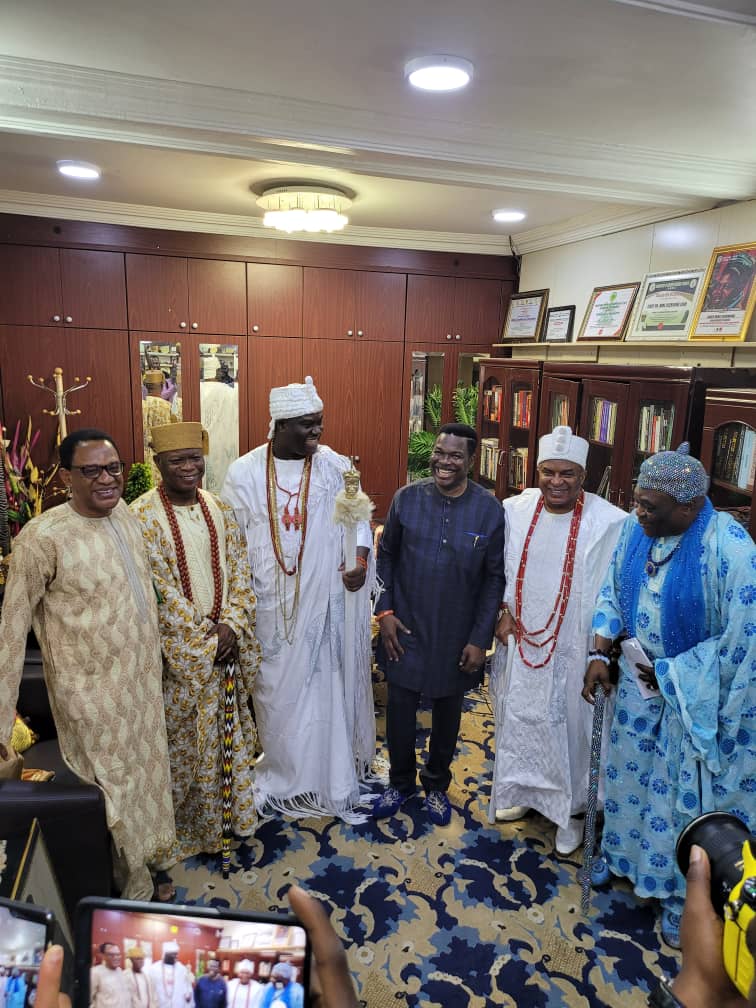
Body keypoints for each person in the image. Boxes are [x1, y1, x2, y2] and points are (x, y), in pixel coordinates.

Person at [583, 444, 756, 949]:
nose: (637, 513)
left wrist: (676, 677)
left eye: (649, 506)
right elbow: (612, 589)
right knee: (630, 780)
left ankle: (684, 903)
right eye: (637, 501)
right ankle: (623, 859)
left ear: (689, 507)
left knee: (684, 804)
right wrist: (600, 650)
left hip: (695, 703)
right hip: (640, 688)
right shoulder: (636, 531)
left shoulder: (731, 551)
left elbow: (743, 644)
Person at [0, 428, 175, 900]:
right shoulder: (42, 539)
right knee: (114, 790)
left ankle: (152, 860)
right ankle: (133, 893)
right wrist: (1, 729)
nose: (107, 479)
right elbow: (11, 633)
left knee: (147, 778)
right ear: (66, 477)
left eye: (113, 468)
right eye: (91, 470)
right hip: (90, 695)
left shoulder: (125, 515)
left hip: (141, 684)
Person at [221, 377, 375, 822]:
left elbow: (359, 521)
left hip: (323, 602)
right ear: (280, 425)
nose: (317, 432)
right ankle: (283, 774)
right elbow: (232, 541)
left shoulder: (335, 467)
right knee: (276, 694)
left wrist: (359, 560)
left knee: (325, 688)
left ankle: (331, 778)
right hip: (268, 604)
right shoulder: (244, 472)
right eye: (308, 424)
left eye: (320, 422)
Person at [489, 425, 626, 853]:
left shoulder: (609, 522)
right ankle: (525, 794)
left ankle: (572, 812)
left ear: (583, 476)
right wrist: (502, 610)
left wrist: (599, 650)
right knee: (521, 720)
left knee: (571, 730)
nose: (557, 481)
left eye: (567, 473)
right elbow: (499, 567)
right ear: (537, 471)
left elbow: (614, 591)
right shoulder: (515, 509)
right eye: (548, 472)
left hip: (573, 647)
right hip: (524, 641)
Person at [131, 421, 260, 865]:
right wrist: (206, 640)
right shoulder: (142, 517)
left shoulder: (219, 507)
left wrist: (233, 626)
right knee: (187, 746)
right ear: (158, 463)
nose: (188, 467)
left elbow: (240, 571)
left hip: (225, 643)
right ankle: (191, 829)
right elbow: (160, 592)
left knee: (228, 740)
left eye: (194, 458)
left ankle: (231, 820)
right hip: (185, 656)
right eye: (176, 460)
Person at [373, 423, 505, 826]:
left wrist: (479, 638)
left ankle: (435, 785)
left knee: (448, 713)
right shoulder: (407, 498)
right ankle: (399, 782)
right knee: (399, 709)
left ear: (471, 461)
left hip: (456, 633)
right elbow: (386, 556)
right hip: (405, 628)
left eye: (455, 456)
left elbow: (494, 578)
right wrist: (385, 613)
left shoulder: (489, 509)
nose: (444, 462)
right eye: (439, 452)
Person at [142, 371, 176, 483]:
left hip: (141, 457)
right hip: (160, 459)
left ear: (146, 386)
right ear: (162, 385)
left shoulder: (140, 405)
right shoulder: (168, 407)